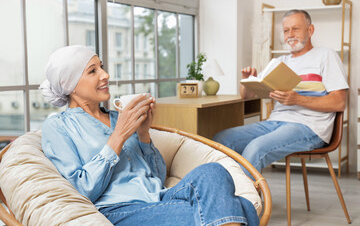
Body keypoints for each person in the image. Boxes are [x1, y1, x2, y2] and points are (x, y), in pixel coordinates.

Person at [39, 45, 259, 226]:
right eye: (92, 71)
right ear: (70, 85)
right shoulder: (58, 127)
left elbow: (157, 177)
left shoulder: (117, 117)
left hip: (160, 198)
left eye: (102, 67)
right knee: (240, 208)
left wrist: (144, 135)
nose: (105, 75)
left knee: (214, 171)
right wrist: (119, 136)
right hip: (120, 211)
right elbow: (81, 189)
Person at [213, 10, 348, 178]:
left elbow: (339, 102)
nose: (290, 35)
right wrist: (247, 81)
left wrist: (297, 99)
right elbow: (246, 96)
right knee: (221, 139)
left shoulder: (326, 56)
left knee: (255, 148)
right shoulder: (279, 62)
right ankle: (221, 195)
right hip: (274, 123)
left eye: (295, 29)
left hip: (309, 127)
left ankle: (246, 203)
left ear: (310, 30)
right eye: (286, 30)